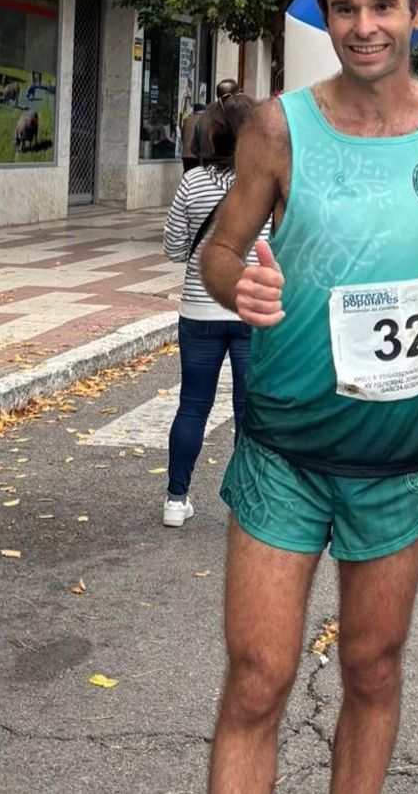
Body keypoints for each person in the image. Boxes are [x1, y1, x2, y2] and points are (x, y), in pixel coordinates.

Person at [197, 0, 418, 793]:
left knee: (372, 671)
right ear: (327, 16)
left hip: (396, 459)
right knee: (257, 680)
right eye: (347, 8)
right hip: (284, 447)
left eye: (383, 7)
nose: (366, 26)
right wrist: (235, 288)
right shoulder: (278, 128)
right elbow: (219, 249)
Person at [160, 93, 264, 528]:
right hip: (249, 310)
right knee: (249, 408)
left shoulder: (194, 182)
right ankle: (244, 504)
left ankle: (175, 499)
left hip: (200, 310)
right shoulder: (264, 182)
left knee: (192, 404)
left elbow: (172, 247)